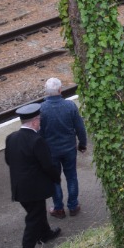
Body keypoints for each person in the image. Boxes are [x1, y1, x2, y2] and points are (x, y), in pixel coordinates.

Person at [5, 103, 61, 248]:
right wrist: (56, 178)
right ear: (35, 122)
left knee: (36, 212)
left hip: (19, 187)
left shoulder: (11, 138)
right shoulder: (37, 141)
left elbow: (9, 160)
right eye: (39, 120)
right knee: (33, 219)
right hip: (34, 188)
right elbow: (47, 165)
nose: (40, 122)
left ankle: (45, 234)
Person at [39, 77, 88, 219]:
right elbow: (80, 127)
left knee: (55, 179)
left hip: (51, 152)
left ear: (46, 92)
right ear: (60, 90)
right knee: (71, 176)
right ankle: (73, 206)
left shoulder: (41, 109)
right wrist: (82, 144)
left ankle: (58, 208)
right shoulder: (70, 106)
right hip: (69, 149)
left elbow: (39, 133)